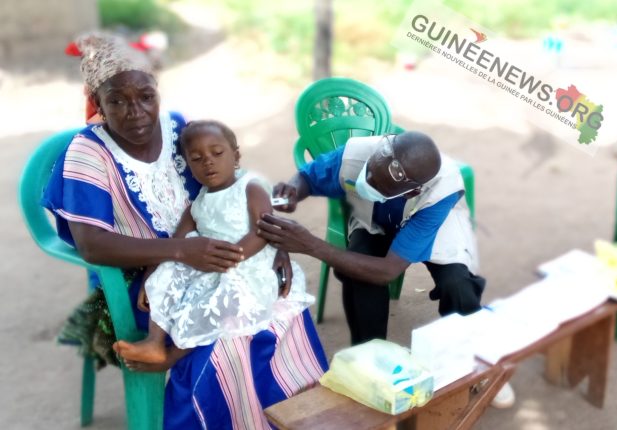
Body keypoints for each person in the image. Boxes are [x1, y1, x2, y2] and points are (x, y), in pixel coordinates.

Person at [42, 33, 327, 429]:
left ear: (157, 90)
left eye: (146, 96)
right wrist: (176, 252)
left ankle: (290, 418)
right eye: (117, 101)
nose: (136, 112)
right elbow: (92, 245)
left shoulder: (176, 127)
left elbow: (228, 184)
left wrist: (271, 241)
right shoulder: (87, 153)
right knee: (227, 327)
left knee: (282, 303)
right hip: (137, 282)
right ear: (98, 103)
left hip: (210, 254)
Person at [257, 131, 516, 407]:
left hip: (434, 224)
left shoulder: (441, 191)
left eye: (378, 184)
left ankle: (480, 360)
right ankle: (368, 363)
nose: (367, 180)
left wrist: (311, 245)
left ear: (412, 191)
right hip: (374, 221)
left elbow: (388, 270)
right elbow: (308, 178)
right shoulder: (358, 153)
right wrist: (293, 190)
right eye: (369, 172)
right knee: (359, 273)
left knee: (458, 284)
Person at [113, 120, 314, 365]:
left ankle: (172, 356)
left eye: (217, 153)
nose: (208, 161)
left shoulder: (250, 187)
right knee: (169, 269)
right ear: (188, 165)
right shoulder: (198, 205)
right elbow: (175, 243)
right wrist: (151, 275)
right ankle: (154, 341)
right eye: (196, 159)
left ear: (236, 156)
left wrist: (232, 257)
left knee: (217, 304)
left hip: (248, 265)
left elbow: (264, 230)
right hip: (212, 266)